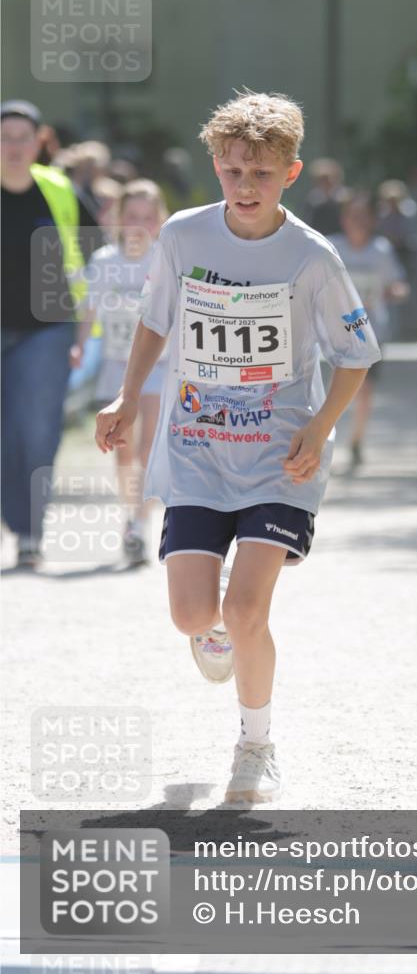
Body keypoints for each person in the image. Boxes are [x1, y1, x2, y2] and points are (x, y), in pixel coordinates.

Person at [94, 91, 380, 803]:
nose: (244, 187)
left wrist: (318, 428)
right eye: (232, 171)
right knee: (194, 615)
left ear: (291, 173)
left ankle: (255, 747)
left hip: (280, 459)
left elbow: (356, 354)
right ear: (215, 167)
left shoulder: (311, 256)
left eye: (261, 173)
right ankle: (214, 631)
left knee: (250, 609)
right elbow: (155, 319)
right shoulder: (184, 238)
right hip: (195, 450)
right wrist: (129, 397)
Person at [1, 100, 102, 567]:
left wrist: (87, 333)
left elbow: (96, 261)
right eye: (6, 137)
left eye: (23, 137)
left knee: (37, 430)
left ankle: (28, 530)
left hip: (49, 329)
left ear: (40, 141)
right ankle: (15, 518)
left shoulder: (60, 191)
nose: (14, 146)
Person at [72, 180, 169, 564]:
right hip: (117, 365)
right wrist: (79, 344)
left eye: (147, 217)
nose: (139, 224)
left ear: (159, 220)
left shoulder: (164, 259)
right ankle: (129, 513)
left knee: (149, 447)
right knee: (123, 447)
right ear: (118, 218)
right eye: (132, 216)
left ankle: (139, 523)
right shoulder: (104, 262)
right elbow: (89, 312)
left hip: (160, 365)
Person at [330, 194, 409, 469]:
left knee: (365, 389)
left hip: (371, 331)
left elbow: (398, 283)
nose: (359, 223)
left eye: (364, 217)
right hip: (334, 333)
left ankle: (356, 439)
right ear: (344, 220)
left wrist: (395, 291)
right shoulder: (332, 248)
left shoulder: (381, 249)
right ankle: (326, 437)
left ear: (373, 221)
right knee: (332, 388)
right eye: (354, 216)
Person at [302, 157, 348, 235]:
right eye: (322, 179)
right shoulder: (312, 201)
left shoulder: (345, 198)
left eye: (328, 178)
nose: (325, 183)